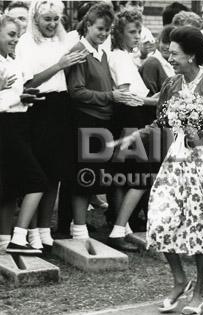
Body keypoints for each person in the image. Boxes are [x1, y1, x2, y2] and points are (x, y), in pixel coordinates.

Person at [120, 26, 203, 315]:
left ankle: (201, 290)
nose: (169, 57)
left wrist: (202, 136)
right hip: (174, 162)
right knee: (160, 218)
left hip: (202, 163)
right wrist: (137, 134)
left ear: (191, 55)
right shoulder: (171, 85)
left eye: (174, 53)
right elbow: (162, 121)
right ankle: (179, 279)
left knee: (197, 225)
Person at [15, 0, 88, 251]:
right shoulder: (26, 43)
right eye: (47, 18)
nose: (52, 24)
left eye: (56, 19)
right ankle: (32, 231)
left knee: (55, 173)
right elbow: (29, 82)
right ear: (36, 18)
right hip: (39, 106)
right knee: (40, 172)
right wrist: (60, 65)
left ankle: (45, 229)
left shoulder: (60, 40)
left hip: (60, 105)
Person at [66, 3, 133, 240]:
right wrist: (110, 96)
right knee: (84, 176)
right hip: (86, 121)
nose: (104, 34)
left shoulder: (101, 53)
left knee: (95, 176)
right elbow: (76, 91)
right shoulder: (80, 51)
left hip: (103, 121)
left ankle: (83, 227)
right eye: (99, 29)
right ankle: (79, 229)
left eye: (107, 30)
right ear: (87, 25)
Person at [106, 9, 158, 252]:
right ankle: (118, 229)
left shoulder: (124, 56)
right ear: (119, 33)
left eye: (139, 31)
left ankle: (121, 227)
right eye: (132, 32)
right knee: (141, 176)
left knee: (123, 175)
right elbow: (126, 96)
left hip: (127, 118)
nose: (137, 36)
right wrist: (153, 101)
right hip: (129, 117)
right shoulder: (118, 57)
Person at [0, 15, 48, 255]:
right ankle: (19, 239)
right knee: (38, 181)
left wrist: (26, 95)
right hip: (6, 126)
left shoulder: (12, 61)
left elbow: (13, 94)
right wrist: (19, 97)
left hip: (20, 123)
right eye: (10, 34)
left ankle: (3, 239)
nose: (15, 39)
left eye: (17, 34)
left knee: (9, 186)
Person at [116, 0, 156, 67]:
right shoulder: (112, 31)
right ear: (122, 7)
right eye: (133, 4)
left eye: (140, 5)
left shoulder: (146, 32)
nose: (138, 8)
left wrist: (143, 55)